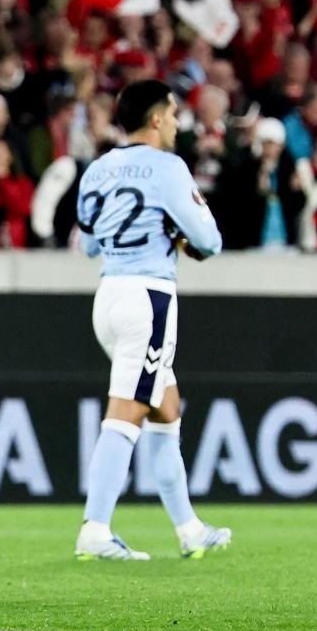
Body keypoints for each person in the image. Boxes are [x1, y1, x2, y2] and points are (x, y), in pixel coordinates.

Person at [74, 79, 232, 561]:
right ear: (158, 117)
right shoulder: (168, 167)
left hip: (109, 297)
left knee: (166, 407)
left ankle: (189, 529)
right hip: (149, 298)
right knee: (126, 412)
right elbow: (209, 240)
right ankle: (95, 529)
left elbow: (88, 244)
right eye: (176, 113)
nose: (180, 123)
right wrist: (181, 237)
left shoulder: (99, 168)